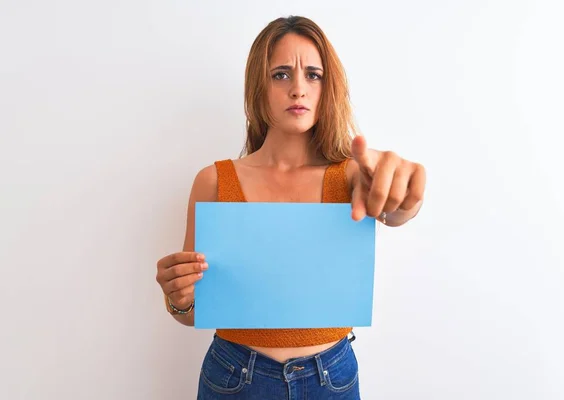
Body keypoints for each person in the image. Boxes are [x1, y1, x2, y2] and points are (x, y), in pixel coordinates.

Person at [155, 15, 426, 400]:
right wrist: (178, 299)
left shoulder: (350, 177)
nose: (298, 88)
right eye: (281, 74)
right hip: (233, 377)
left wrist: (407, 198)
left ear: (326, 87)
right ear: (258, 88)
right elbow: (196, 309)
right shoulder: (214, 181)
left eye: (313, 75)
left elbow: (394, 211)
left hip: (331, 378)